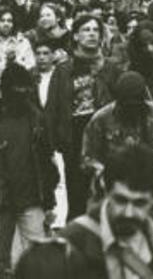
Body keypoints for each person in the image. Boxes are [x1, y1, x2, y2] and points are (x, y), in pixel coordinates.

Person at [0, 62, 59, 279]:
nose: (22, 97)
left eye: (26, 91)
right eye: (18, 91)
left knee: (39, 261)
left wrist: (49, 200)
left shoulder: (37, 119)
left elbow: (47, 162)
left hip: (32, 199)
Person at [60, 144, 153, 279]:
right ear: (106, 191)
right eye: (121, 200)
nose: (129, 213)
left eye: (140, 203)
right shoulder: (71, 243)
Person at [49, 15, 123, 221]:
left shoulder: (111, 67)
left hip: (106, 136)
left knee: (109, 191)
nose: (91, 34)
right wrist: (55, 142)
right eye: (86, 30)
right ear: (75, 36)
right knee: (78, 195)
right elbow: (53, 108)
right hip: (75, 137)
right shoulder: (63, 70)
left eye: (95, 30)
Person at [82, 71, 153, 175]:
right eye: (127, 106)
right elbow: (88, 158)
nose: (132, 110)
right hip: (113, 181)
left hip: (148, 179)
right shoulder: (101, 119)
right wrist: (105, 172)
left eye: (136, 105)